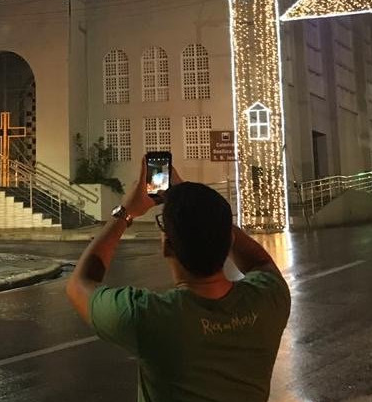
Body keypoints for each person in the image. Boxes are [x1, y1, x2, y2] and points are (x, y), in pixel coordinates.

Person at [66, 157, 291, 402]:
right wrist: (199, 206)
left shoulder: (148, 318)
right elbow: (260, 261)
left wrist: (125, 213)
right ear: (229, 242)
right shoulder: (270, 299)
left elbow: (80, 283)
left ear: (167, 246)